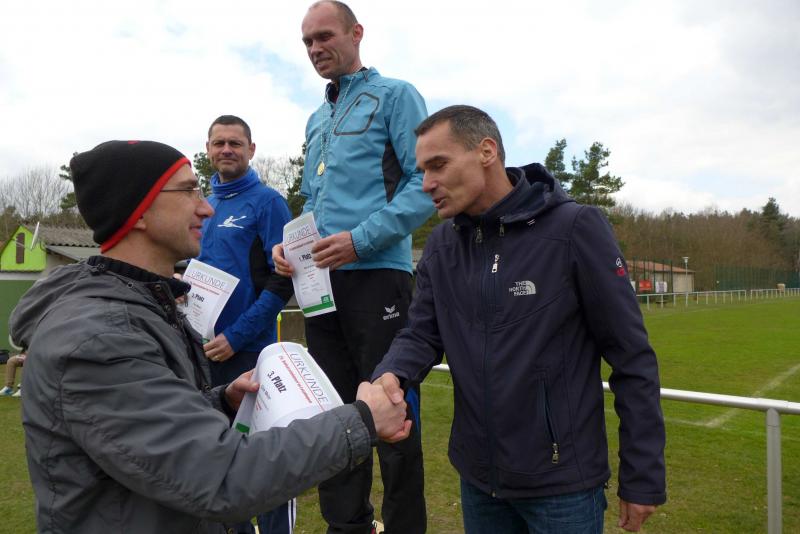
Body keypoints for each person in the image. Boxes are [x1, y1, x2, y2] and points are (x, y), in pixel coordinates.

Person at [10, 140, 412, 534]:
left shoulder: (142, 306)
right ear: (139, 211)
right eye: (188, 190)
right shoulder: (98, 336)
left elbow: (139, 430)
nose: (206, 207)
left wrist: (220, 402)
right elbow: (220, 477)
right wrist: (362, 420)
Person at [372, 105, 667, 533]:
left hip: (562, 486)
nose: (426, 184)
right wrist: (391, 374)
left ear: (486, 151)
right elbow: (421, 333)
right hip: (478, 480)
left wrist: (642, 475)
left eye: (438, 165)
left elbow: (632, 357)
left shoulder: (575, 228)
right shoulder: (441, 245)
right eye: (423, 171)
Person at [272, 2, 432, 532]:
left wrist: (360, 242)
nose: (315, 49)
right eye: (307, 42)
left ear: (356, 33)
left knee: (393, 410)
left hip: (378, 276)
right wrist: (290, 246)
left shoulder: (396, 95)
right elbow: (313, 201)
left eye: (324, 36)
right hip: (320, 287)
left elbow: (423, 184)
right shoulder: (316, 118)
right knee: (335, 414)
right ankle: (346, 527)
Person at [198, 115, 295, 534]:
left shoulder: (268, 202)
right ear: (208, 149)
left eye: (235, 143)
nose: (227, 150)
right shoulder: (204, 206)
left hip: (250, 353)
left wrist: (236, 337)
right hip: (205, 354)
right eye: (219, 142)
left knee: (266, 461)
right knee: (219, 459)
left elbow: (282, 282)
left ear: (251, 150)